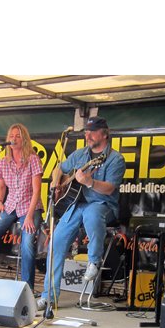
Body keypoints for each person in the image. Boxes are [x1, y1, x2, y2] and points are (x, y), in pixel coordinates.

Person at [37, 116, 126, 311]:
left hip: (103, 204)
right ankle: (49, 297)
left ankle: (94, 261)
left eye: (92, 132)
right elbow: (58, 168)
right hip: (77, 204)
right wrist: (57, 182)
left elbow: (110, 188)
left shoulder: (115, 159)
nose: (88, 135)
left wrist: (90, 182)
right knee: (56, 241)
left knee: (92, 214)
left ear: (105, 134)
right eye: (86, 132)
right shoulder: (80, 154)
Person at [0, 124, 43, 291]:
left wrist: (29, 215)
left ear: (24, 140)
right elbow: (1, 187)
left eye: (17, 136)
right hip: (9, 206)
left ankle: (26, 289)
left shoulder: (33, 159)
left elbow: (37, 190)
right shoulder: (3, 161)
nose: (13, 139)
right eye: (11, 136)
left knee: (27, 243)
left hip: (30, 206)